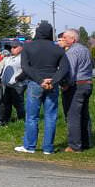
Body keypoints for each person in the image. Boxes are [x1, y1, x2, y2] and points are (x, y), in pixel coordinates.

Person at [16, 22, 69, 155]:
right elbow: (64, 68)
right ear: (51, 33)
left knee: (32, 117)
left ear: (38, 32)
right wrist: (53, 80)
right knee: (51, 117)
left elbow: (25, 67)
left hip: (35, 83)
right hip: (52, 84)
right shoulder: (58, 48)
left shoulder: (28, 47)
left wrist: (40, 81)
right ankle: (48, 148)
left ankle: (29, 146)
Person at [58, 29, 93, 152]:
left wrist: (65, 85)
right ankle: (86, 142)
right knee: (84, 114)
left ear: (73, 39)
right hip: (87, 83)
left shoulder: (71, 52)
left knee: (72, 116)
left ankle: (74, 145)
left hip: (76, 85)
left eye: (66, 37)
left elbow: (70, 71)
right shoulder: (85, 49)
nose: (63, 39)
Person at [0, 40, 26, 125]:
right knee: (6, 103)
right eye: (11, 47)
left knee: (18, 103)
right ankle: (6, 119)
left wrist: (17, 80)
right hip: (7, 85)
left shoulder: (23, 58)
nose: (12, 49)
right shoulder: (9, 58)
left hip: (17, 85)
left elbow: (26, 71)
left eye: (15, 47)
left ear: (21, 47)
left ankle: (21, 119)